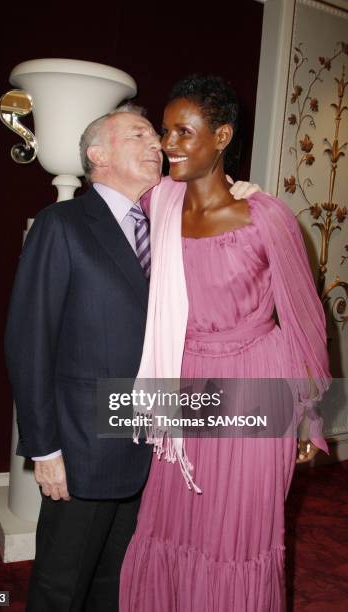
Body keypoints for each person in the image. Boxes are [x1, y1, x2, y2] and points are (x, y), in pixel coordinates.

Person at [4, 102, 256, 611]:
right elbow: (28, 342)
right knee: (60, 586)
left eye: (154, 137)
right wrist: (45, 449)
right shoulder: (63, 224)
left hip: (148, 446)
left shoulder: (164, 225)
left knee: (116, 583)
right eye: (139, 135)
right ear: (97, 154)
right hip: (82, 447)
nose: (156, 146)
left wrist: (238, 196)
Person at [119, 76, 330, 611]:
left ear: (222, 136)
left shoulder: (266, 218)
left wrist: (310, 416)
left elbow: (305, 321)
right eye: (167, 131)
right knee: (175, 521)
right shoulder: (159, 203)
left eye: (184, 132)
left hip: (257, 381)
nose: (169, 144)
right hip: (186, 381)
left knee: (237, 532)